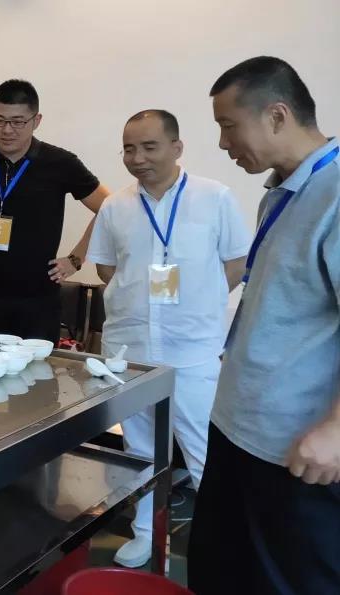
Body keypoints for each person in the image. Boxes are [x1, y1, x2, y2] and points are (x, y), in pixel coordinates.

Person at [188, 57, 340, 595]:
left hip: (295, 451)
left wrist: (337, 429)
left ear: (276, 115)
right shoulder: (282, 190)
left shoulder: (335, 193)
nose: (224, 143)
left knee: (285, 580)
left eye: (229, 126)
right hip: (238, 429)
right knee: (219, 569)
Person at [88, 110, 251, 568]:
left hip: (192, 349)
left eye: (149, 147)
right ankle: (144, 532)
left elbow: (237, 262)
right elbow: (105, 267)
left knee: (203, 451)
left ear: (177, 148)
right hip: (130, 349)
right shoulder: (116, 206)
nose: (137, 158)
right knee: (138, 449)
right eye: (128, 149)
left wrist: (200, 304)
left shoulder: (214, 198)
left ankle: (224, 548)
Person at [0, 80, 110, 341]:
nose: (7, 130)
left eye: (17, 122)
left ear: (36, 121)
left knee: (37, 368)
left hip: (37, 302)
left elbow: (109, 208)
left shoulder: (60, 163)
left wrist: (76, 259)